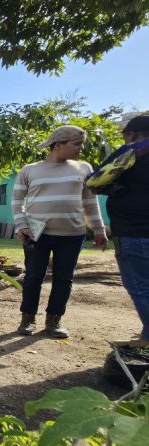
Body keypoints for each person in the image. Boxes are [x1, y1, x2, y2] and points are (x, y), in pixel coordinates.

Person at [13, 125, 107, 339]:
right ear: (58, 145)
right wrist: (22, 225)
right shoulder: (30, 170)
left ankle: (54, 321)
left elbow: (90, 202)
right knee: (33, 277)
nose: (80, 149)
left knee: (64, 278)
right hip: (37, 234)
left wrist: (99, 229)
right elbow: (17, 201)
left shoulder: (83, 168)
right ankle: (27, 318)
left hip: (72, 235)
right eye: (76, 144)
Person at [103, 115, 149, 342]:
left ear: (132, 134)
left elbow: (94, 182)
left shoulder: (130, 153)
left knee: (141, 288)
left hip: (134, 231)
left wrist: (113, 187)